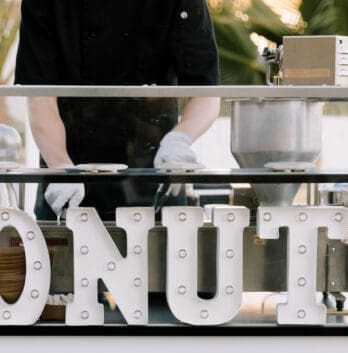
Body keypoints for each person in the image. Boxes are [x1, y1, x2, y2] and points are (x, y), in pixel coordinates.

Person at [14, 0, 221, 221]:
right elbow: (40, 99)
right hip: (66, 184)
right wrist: (60, 168)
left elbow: (206, 93)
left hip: (155, 179)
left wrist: (178, 140)